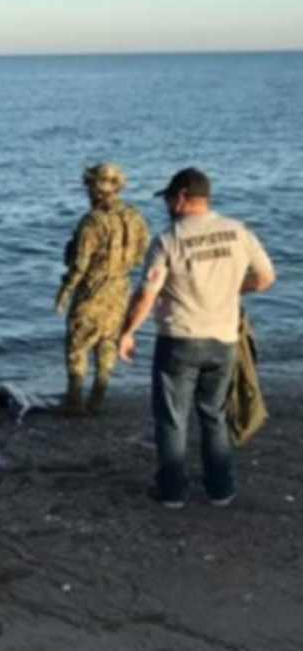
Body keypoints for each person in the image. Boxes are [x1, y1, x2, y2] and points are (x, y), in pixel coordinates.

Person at [118, 168, 275, 508]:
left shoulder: (168, 240)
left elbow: (148, 292)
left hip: (180, 339)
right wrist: (234, 290)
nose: (167, 206)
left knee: (173, 418)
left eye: (169, 199)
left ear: (181, 198)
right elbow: (265, 277)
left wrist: (128, 332)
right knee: (214, 414)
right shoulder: (238, 232)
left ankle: (172, 491)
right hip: (223, 339)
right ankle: (220, 489)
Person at [56, 163, 150, 414]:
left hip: (93, 290)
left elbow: (79, 265)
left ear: (94, 189)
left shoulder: (92, 222)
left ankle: (74, 402)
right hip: (120, 289)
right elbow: (143, 255)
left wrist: (65, 291)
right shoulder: (135, 216)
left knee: (77, 345)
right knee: (108, 343)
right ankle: (97, 400)